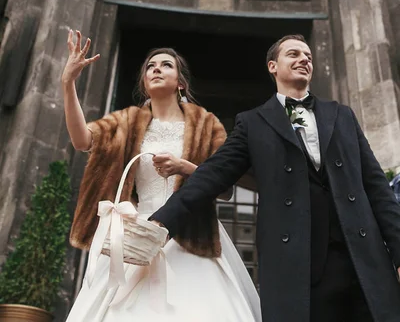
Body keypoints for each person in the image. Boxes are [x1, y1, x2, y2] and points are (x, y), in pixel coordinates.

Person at [150, 34, 400, 322]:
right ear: (272, 66)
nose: (304, 59)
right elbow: (212, 175)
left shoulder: (342, 115)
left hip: (363, 260)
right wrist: (162, 222)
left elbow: (377, 187)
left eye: (307, 56)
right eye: (293, 54)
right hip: (300, 267)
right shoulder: (252, 123)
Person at [62, 30, 261, 322]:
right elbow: (82, 141)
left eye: (166, 65)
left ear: (181, 83)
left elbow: (225, 188)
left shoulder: (207, 125)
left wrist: (186, 167)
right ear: (144, 81)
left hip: (193, 231)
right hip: (140, 229)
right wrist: (68, 83)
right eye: (151, 66)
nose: (156, 68)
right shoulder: (127, 121)